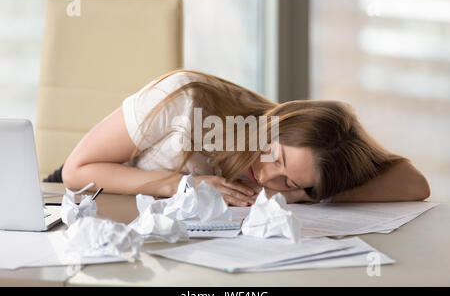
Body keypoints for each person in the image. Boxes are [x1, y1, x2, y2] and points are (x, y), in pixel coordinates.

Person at [62, 70, 430, 206]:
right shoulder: (185, 100)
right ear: (272, 125)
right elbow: (77, 170)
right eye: (277, 158)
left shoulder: (312, 163)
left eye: (290, 180)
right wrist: (184, 185)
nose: (269, 178)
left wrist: (304, 193)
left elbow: (414, 185)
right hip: (104, 206)